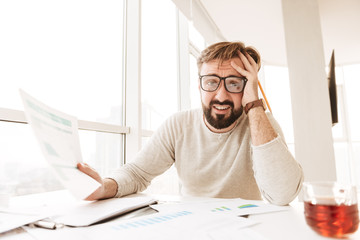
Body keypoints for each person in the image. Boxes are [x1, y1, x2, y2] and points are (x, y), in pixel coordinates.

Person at [78, 41, 304, 206]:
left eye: (234, 83)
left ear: (247, 88)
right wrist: (103, 187)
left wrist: (254, 105)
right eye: (211, 82)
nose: (221, 95)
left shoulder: (260, 124)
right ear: (199, 85)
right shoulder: (179, 125)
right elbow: (138, 173)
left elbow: (282, 194)